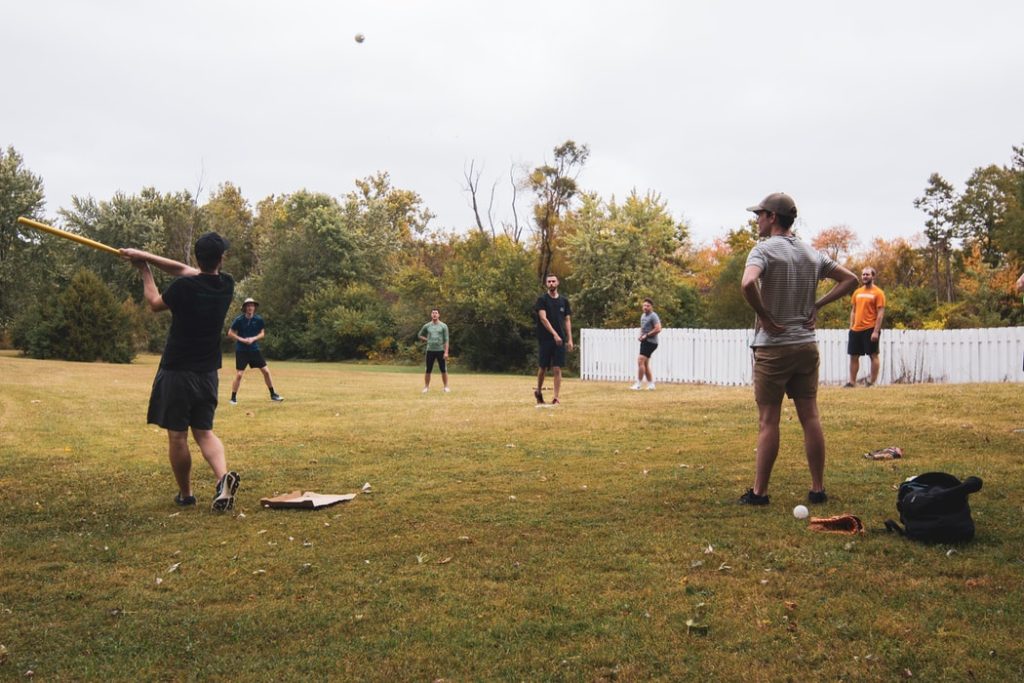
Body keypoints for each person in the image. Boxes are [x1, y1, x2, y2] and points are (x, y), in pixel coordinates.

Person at [739, 192, 857, 506]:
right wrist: (817, 305)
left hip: (774, 349)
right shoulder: (811, 253)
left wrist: (765, 316)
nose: (757, 220)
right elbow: (850, 279)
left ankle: (759, 493)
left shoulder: (762, 250)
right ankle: (818, 488)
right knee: (811, 417)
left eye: (759, 214)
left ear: (773, 217)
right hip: (806, 346)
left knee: (768, 421)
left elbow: (748, 284)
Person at [120, 233, 240, 512]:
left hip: (177, 371)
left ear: (198, 257)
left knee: (177, 436)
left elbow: (154, 303)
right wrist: (145, 254)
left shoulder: (183, 288)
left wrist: (145, 270)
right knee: (205, 432)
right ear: (220, 258)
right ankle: (223, 478)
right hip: (208, 372)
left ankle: (186, 495)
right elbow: (183, 270)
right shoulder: (226, 284)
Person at [227, 297, 283, 404]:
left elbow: (262, 333)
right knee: (239, 375)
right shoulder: (239, 320)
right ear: (244, 308)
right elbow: (230, 333)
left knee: (266, 371)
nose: (250, 307)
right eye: (248, 306)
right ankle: (233, 398)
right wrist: (242, 339)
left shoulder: (258, 319)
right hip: (241, 350)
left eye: (252, 305)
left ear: (254, 308)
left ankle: (273, 395)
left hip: (254, 350)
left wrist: (253, 338)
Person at [534, 274, 573, 405]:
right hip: (545, 339)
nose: (551, 283)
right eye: (549, 281)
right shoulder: (542, 300)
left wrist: (570, 339)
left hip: (560, 340)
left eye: (553, 281)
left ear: (558, 283)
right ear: (546, 284)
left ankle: (556, 397)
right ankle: (538, 391)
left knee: (557, 368)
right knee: (543, 368)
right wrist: (554, 334)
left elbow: (567, 320)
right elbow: (543, 319)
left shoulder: (564, 301)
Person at [846, 267, 886, 387]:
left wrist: (875, 331)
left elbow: (880, 313)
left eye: (867, 275)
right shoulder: (857, 292)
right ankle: (852, 382)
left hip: (870, 328)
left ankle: (871, 382)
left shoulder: (878, 293)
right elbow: (853, 310)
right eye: (863, 275)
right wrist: (851, 327)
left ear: (873, 276)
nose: (865, 276)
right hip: (856, 329)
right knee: (854, 356)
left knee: (873, 355)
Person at [631, 298, 662, 390]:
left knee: (640, 360)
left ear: (651, 307)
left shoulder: (653, 316)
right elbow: (642, 328)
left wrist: (647, 336)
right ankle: (651, 385)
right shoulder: (643, 316)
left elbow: (658, 328)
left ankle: (638, 384)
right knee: (645, 363)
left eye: (647, 306)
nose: (645, 307)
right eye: (644, 305)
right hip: (645, 341)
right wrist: (640, 335)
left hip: (651, 342)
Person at [418, 308, 450, 392]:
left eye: (436, 313)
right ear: (431, 315)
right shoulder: (427, 326)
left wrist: (446, 352)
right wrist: (427, 339)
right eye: (433, 313)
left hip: (440, 350)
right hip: (430, 350)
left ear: (439, 315)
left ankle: (446, 387)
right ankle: (426, 387)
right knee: (428, 369)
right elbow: (420, 335)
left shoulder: (443, 326)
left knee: (443, 369)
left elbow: (446, 339)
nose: (434, 314)